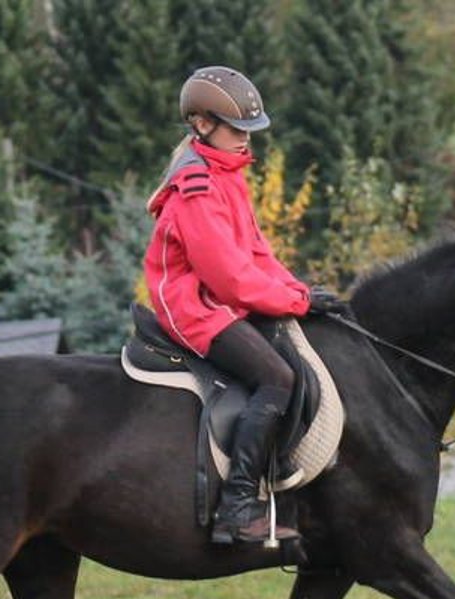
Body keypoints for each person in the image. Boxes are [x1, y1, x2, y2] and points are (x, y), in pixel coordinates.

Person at [142, 66, 345, 545]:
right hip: (192, 306)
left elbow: (255, 254)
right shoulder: (196, 187)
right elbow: (228, 279)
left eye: (250, 131)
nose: (246, 141)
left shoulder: (227, 174)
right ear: (202, 124)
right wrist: (293, 300)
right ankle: (236, 508)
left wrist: (299, 292)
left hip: (221, 301)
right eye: (238, 130)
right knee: (277, 377)